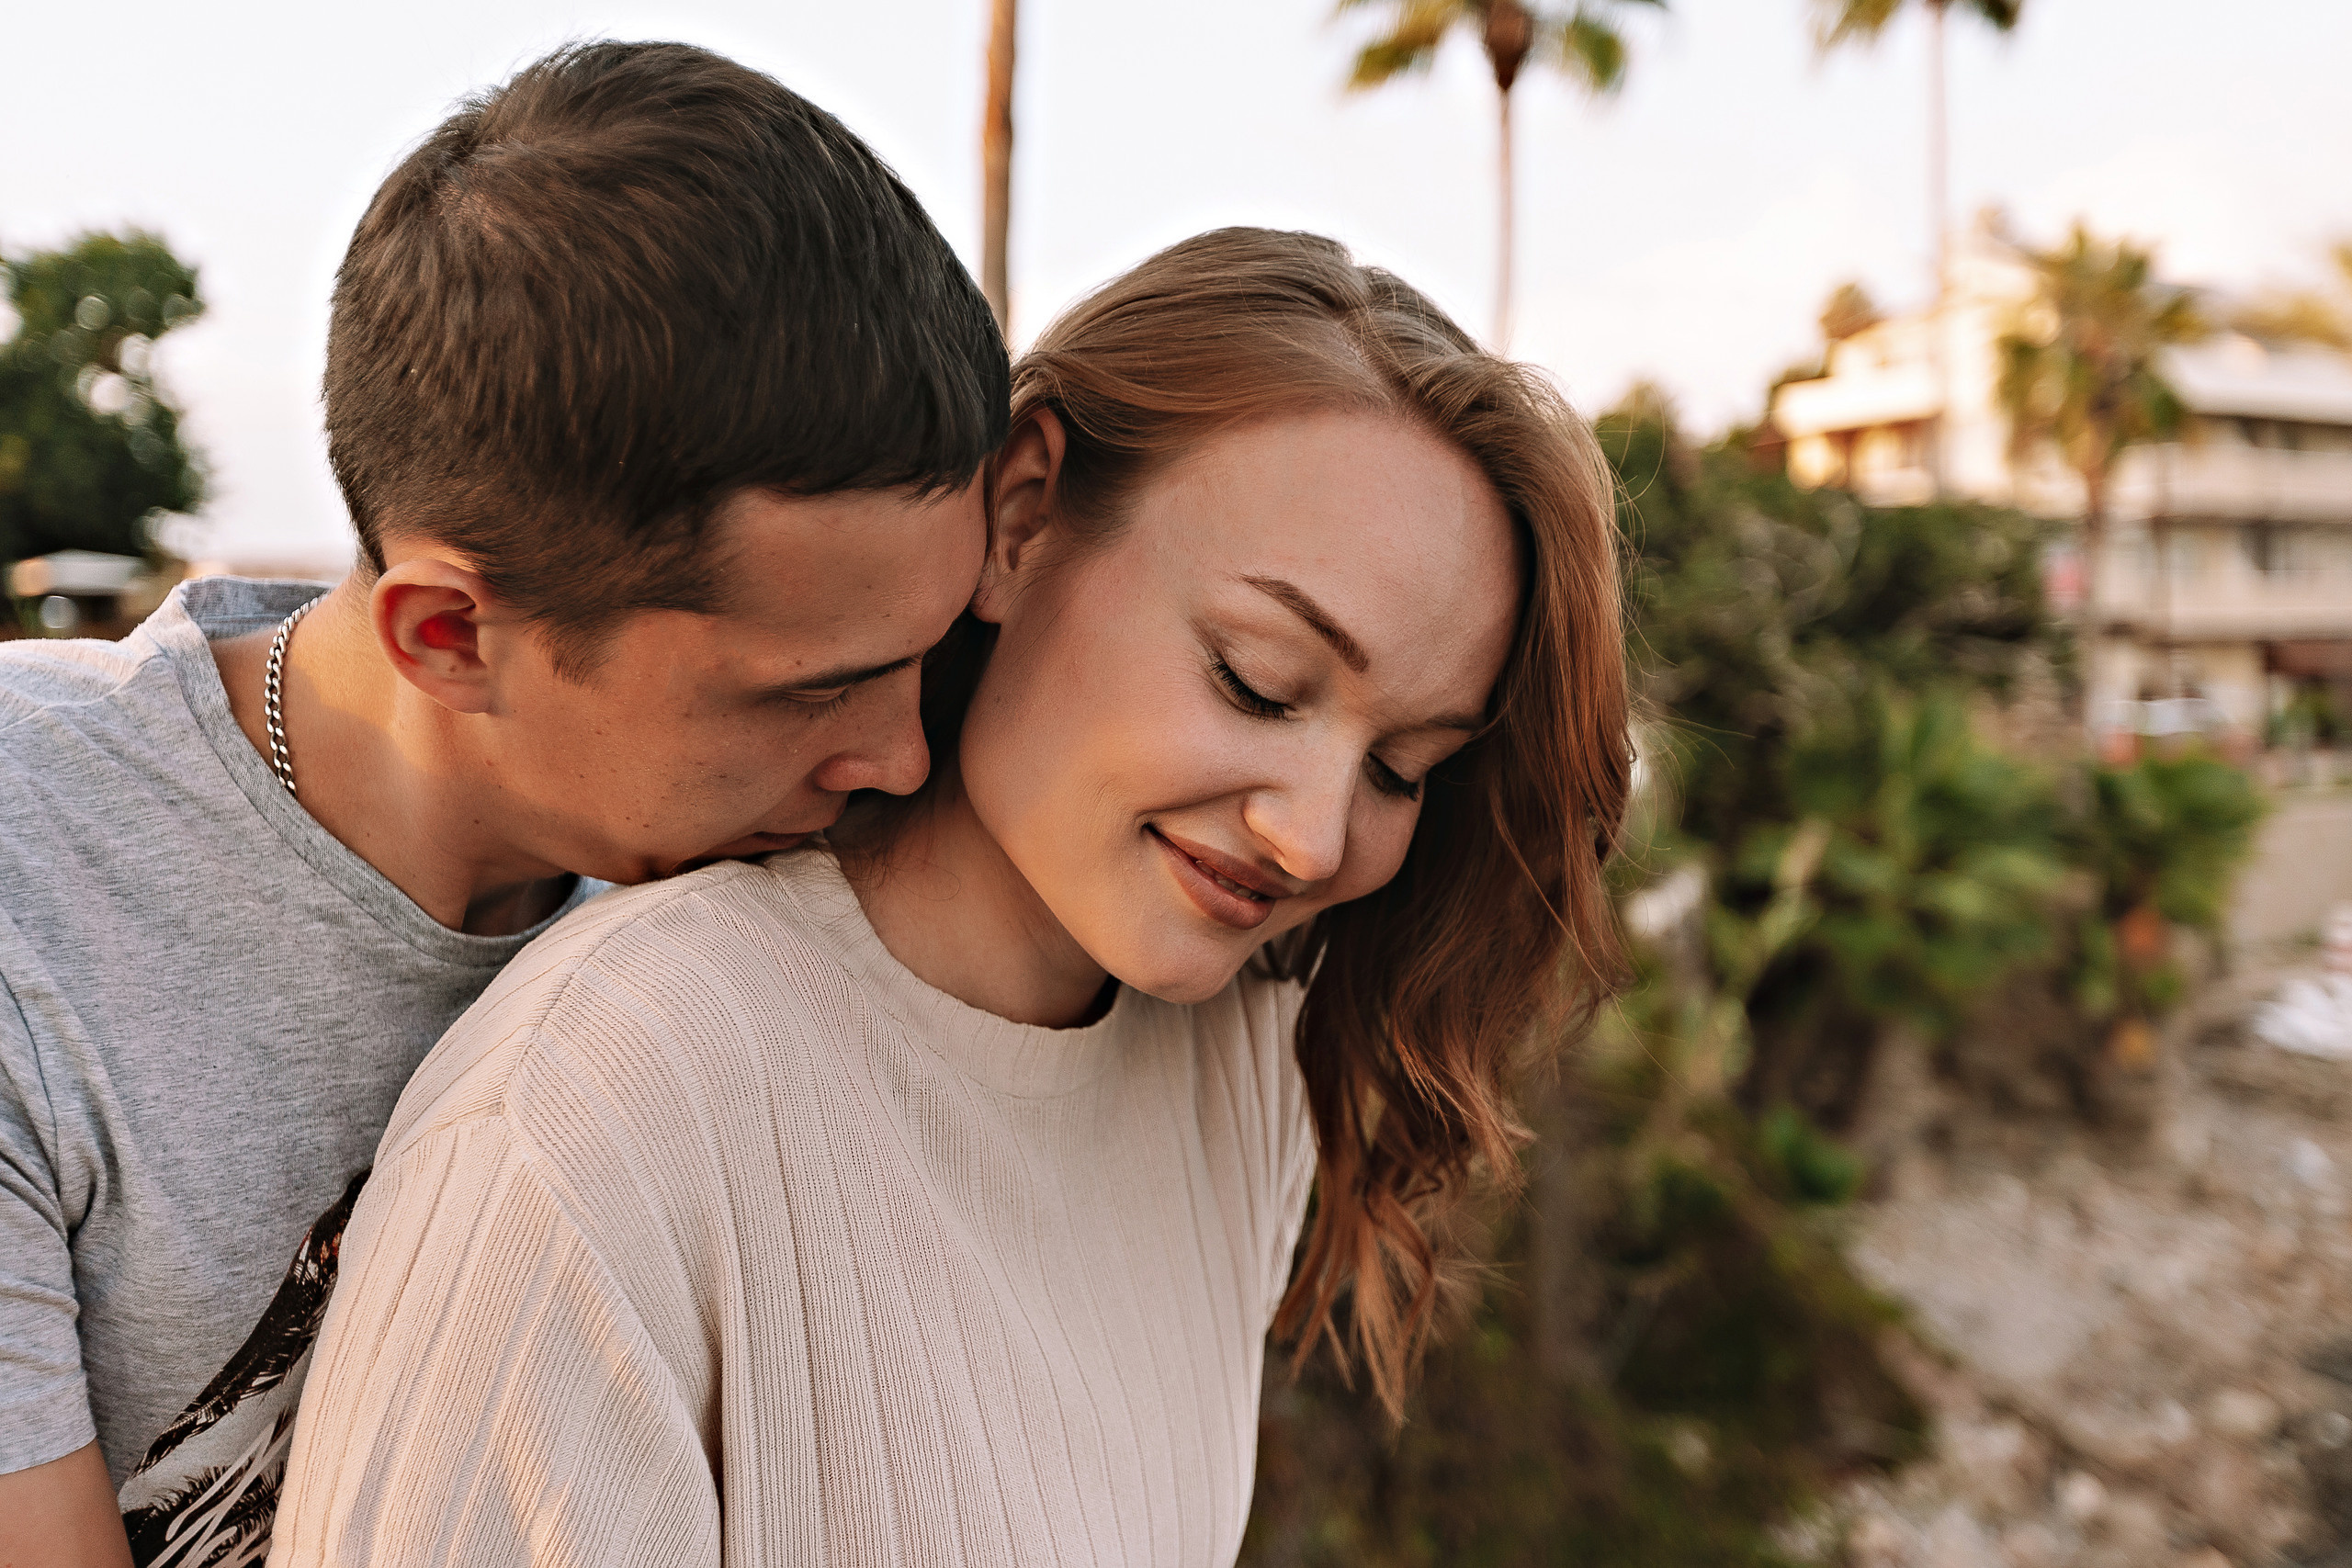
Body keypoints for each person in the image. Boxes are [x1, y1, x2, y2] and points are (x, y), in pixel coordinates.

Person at [268, 227, 1633, 1568]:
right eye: (1256, 680)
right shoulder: (607, 1095)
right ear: (1025, 516)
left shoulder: (1240, 1076)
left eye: (1405, 770)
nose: (1313, 837)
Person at [0, 41, 1005, 1568]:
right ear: (452, 639)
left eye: (920, 668)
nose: (901, 763)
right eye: (807, 689)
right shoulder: (37, 894)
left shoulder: (755, 868)